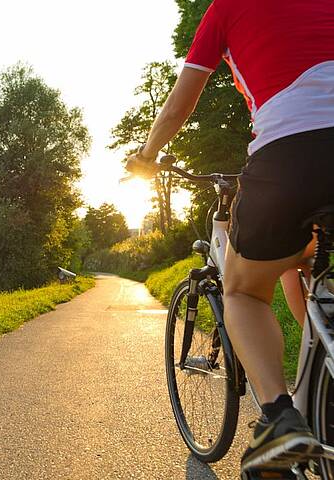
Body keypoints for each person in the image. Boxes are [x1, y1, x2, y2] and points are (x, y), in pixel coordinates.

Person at [126, 0, 334, 473]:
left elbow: (180, 103)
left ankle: (281, 422)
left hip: (293, 153)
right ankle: (323, 377)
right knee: (296, 257)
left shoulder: (226, 9)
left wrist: (146, 156)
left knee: (242, 290)